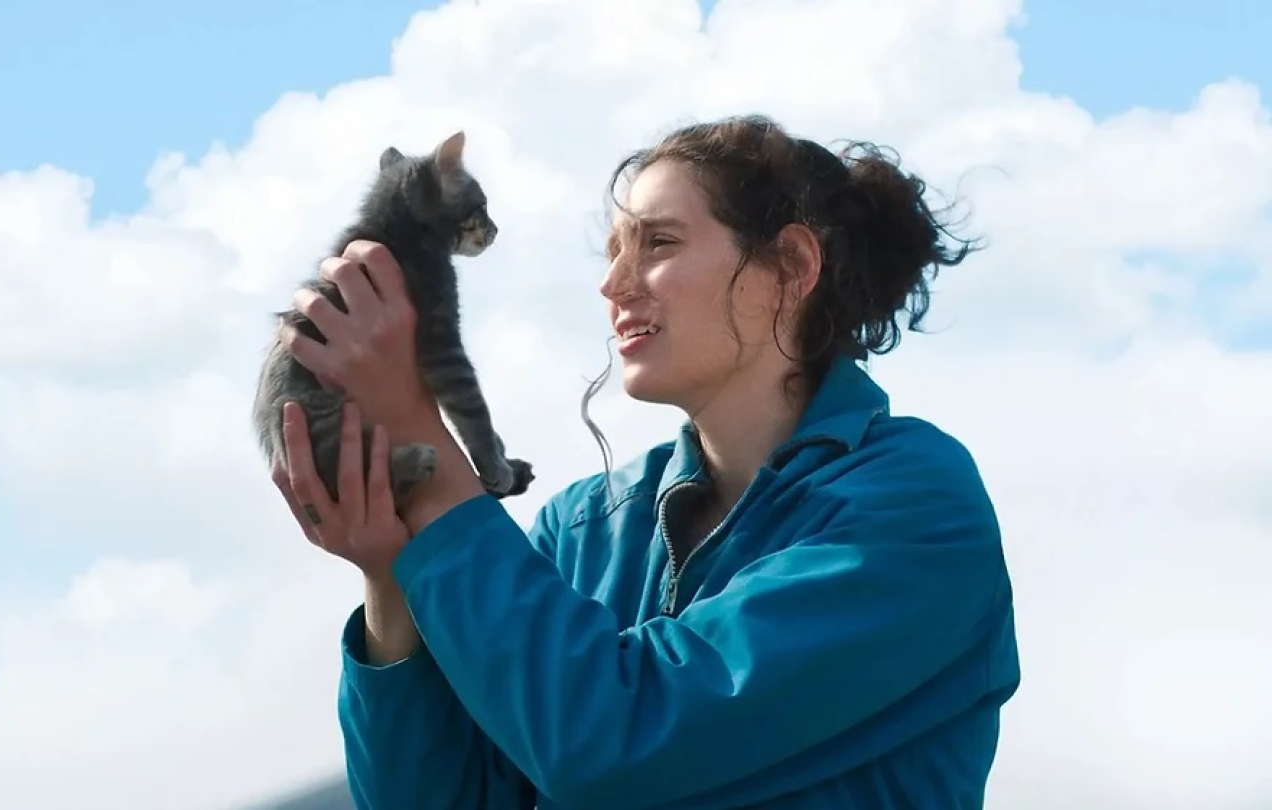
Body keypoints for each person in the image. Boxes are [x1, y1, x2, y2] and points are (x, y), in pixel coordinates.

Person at [270, 114, 1021, 810]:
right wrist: (394, 572)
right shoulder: (581, 531)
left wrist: (431, 464)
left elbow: (618, 741)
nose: (613, 283)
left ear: (792, 265)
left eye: (657, 243)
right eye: (613, 251)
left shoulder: (914, 505)